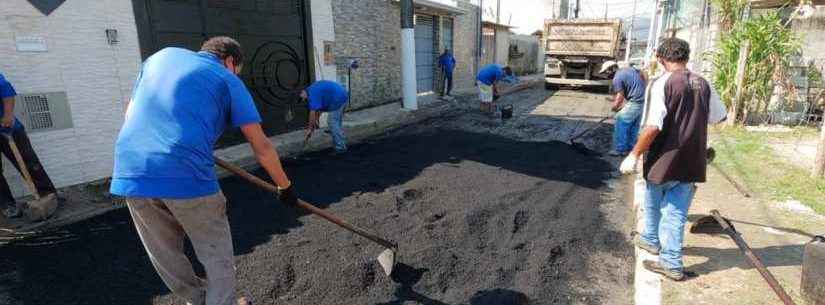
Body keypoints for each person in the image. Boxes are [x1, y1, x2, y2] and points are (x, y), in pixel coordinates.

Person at [111, 36, 298, 305]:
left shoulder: (160, 58)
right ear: (231, 61)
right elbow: (262, 146)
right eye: (237, 69)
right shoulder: (227, 79)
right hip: (186, 174)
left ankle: (197, 300)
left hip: (131, 170)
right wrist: (285, 187)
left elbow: (130, 113)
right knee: (215, 255)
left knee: (165, 253)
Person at [619, 37, 727, 281]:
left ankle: (656, 246)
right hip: (692, 159)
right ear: (687, 58)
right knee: (676, 212)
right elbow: (719, 117)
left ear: (660, 59)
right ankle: (665, 256)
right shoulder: (703, 82)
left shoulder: (661, 83)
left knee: (654, 200)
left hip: (663, 158)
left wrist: (633, 154)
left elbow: (653, 126)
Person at [0, 73, 57, 218]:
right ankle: (7, 205)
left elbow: (6, 89)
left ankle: (48, 195)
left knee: (29, 162)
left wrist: (8, 115)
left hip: (8, 128)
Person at [601, 60, 647, 156]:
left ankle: (620, 149)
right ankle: (631, 148)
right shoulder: (629, 70)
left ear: (612, 68)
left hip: (635, 101)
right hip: (643, 100)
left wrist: (614, 108)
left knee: (621, 122)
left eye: (606, 71)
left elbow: (620, 96)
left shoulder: (617, 78)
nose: (606, 74)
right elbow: (643, 74)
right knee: (634, 125)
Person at [300, 80, 349, 154]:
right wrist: (316, 119)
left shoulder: (312, 94)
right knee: (336, 122)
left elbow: (312, 113)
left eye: (302, 98)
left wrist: (309, 129)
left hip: (338, 98)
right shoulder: (311, 90)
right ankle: (338, 136)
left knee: (332, 122)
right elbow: (320, 108)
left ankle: (340, 148)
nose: (303, 100)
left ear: (302, 92)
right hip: (342, 95)